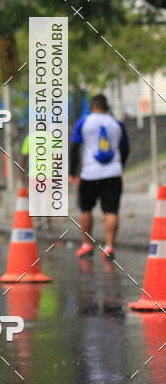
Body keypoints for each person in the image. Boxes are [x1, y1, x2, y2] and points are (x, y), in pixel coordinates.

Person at [69, 94, 130, 260]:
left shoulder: (84, 122)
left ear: (91, 106)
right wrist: (120, 166)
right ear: (107, 107)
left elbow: (74, 147)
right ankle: (109, 247)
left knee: (86, 209)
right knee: (111, 210)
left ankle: (87, 245)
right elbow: (125, 148)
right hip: (113, 173)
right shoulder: (117, 124)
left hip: (89, 173)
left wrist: (72, 172)